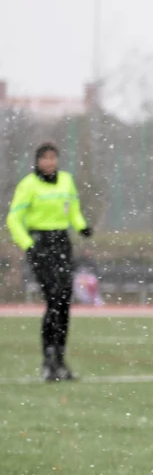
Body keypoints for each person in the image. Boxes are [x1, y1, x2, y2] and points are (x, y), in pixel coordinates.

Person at [6, 142, 91, 381]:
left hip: (61, 242)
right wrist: (28, 245)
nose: (49, 162)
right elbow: (14, 219)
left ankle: (60, 361)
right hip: (40, 243)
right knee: (53, 299)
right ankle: (48, 360)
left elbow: (73, 210)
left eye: (53, 157)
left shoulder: (66, 180)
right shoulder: (28, 185)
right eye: (45, 158)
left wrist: (81, 226)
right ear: (37, 161)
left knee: (64, 301)